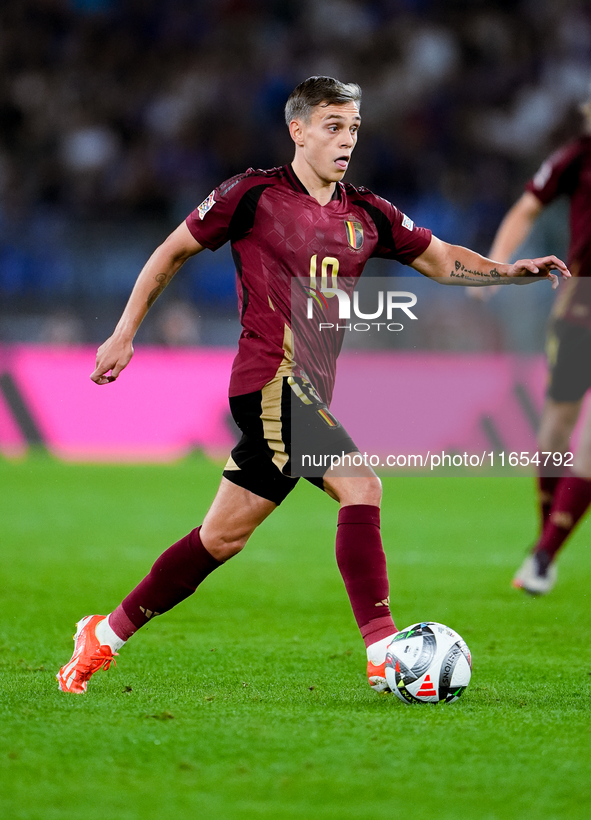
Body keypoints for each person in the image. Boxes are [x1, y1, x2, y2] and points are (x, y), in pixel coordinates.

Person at [57, 76, 569, 694]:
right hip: (267, 380)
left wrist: (508, 272)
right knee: (362, 486)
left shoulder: (367, 213)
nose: (347, 139)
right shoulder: (252, 194)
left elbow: (440, 258)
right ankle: (385, 653)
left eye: (354, 128)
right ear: (298, 130)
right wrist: (124, 333)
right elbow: (171, 252)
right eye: (333, 126)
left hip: (307, 394)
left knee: (220, 538)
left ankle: (101, 637)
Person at [480, 89, 591, 595]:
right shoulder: (576, 157)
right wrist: (497, 268)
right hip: (580, 307)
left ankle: (544, 554)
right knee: (555, 430)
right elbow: (526, 207)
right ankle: (546, 541)